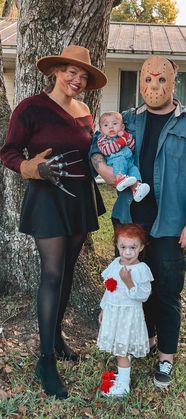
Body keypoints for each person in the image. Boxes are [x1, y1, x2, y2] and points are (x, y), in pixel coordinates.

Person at [90, 55, 186, 389]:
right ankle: (140, 342)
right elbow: (97, 143)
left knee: (166, 290)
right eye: (148, 79)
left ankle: (166, 357)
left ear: (175, 82)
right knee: (130, 285)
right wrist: (101, 166)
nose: (153, 86)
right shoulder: (128, 119)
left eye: (161, 80)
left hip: (172, 224)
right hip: (129, 222)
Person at [0, 45, 107, 399]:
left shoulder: (85, 111)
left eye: (83, 76)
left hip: (80, 198)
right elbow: (8, 152)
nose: (77, 80)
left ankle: (56, 339)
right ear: (56, 72)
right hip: (48, 199)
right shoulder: (30, 108)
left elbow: (88, 153)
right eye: (70, 72)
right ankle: (45, 360)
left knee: (68, 274)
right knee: (52, 274)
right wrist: (30, 168)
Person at [98, 223, 154, 397]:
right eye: (123, 247)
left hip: (128, 316)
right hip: (114, 313)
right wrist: (103, 308)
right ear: (117, 246)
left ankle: (123, 386)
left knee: (121, 351)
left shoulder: (141, 269)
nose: (128, 252)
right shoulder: (115, 263)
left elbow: (143, 296)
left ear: (141, 247)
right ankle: (122, 376)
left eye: (133, 247)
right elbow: (109, 289)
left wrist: (129, 282)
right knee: (120, 349)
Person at [95, 111, 150, 202]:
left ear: (122, 127)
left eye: (115, 124)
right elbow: (106, 150)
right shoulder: (102, 140)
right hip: (114, 160)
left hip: (129, 161)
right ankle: (120, 178)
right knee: (119, 160)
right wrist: (121, 142)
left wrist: (125, 136)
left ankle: (136, 188)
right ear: (101, 130)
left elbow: (132, 146)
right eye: (106, 125)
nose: (111, 127)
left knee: (134, 170)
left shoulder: (125, 136)